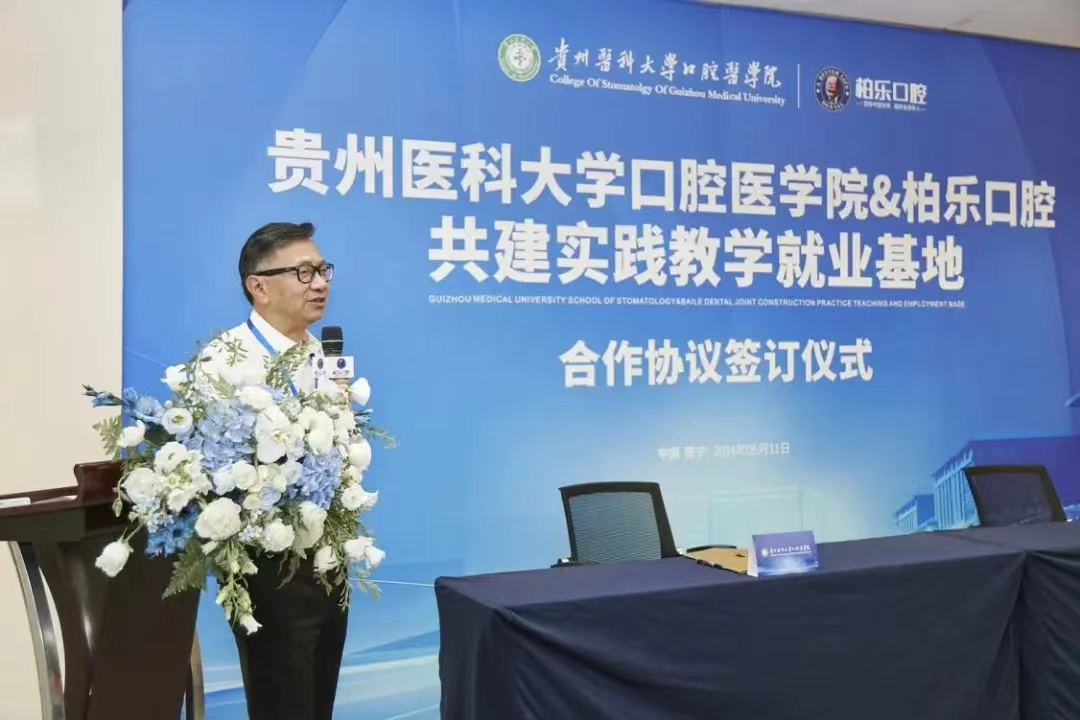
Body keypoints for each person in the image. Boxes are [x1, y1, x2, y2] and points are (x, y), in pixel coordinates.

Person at [199, 221, 345, 720]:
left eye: (322, 270)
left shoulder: (320, 353)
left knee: (318, 702)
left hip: (327, 558)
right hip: (266, 566)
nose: (319, 283)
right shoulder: (225, 361)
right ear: (258, 286)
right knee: (283, 704)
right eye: (303, 272)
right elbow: (212, 470)